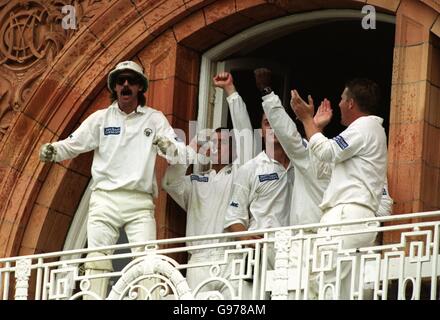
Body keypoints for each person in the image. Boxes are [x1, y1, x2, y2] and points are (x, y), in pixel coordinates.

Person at [39, 60, 186, 299]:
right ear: (114, 87)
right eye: (120, 81)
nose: (126, 84)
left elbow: (178, 152)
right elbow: (74, 143)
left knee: (148, 259)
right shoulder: (101, 119)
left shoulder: (154, 119)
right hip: (105, 199)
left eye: (131, 80)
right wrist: (53, 150)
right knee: (97, 257)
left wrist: (167, 145)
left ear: (140, 87)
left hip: (139, 202)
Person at [290, 78, 388, 299]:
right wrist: (317, 127)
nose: (340, 103)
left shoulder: (363, 127)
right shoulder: (370, 130)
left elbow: (327, 151)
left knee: (321, 282)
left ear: (351, 103)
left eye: (343, 99)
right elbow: (322, 169)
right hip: (353, 218)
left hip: (347, 217)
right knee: (341, 291)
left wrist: (306, 119)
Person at [162, 72, 254, 299]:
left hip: (231, 258)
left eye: (224, 143)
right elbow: (169, 182)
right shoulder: (197, 181)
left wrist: (230, 92)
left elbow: (244, 133)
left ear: (235, 149)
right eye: (214, 143)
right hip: (198, 262)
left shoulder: (240, 175)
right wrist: (191, 149)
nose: (217, 147)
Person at [224, 91, 294, 299]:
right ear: (261, 131)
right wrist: (246, 236)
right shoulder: (250, 169)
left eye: (276, 121)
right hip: (260, 252)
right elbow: (233, 217)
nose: (272, 126)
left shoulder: (304, 164)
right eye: (266, 122)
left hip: (294, 250)